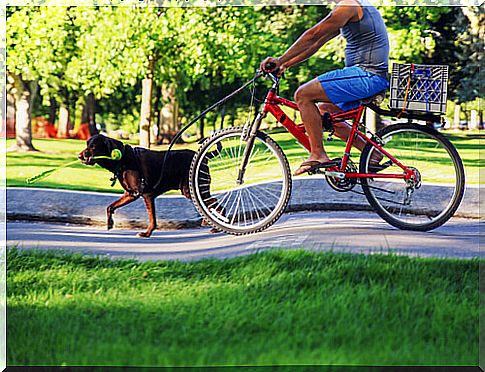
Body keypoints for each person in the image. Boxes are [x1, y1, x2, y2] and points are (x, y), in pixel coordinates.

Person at [260, 0, 390, 175]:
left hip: (367, 76)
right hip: (368, 76)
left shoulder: (348, 5)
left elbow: (313, 34)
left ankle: (318, 154)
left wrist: (279, 59)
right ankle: (371, 154)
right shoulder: (352, 7)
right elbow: (316, 43)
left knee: (303, 95)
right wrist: (285, 64)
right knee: (323, 113)